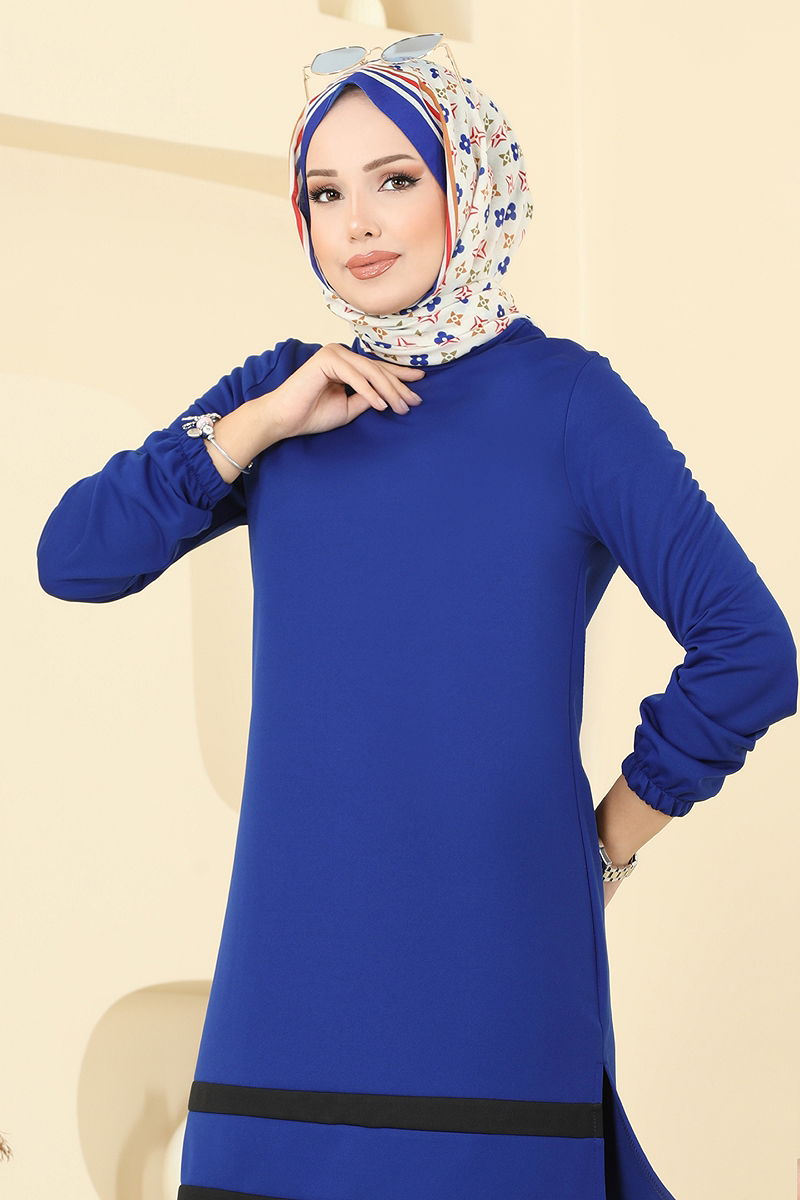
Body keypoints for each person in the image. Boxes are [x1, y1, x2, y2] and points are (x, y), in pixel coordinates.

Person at [36, 38, 797, 1200]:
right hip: (286, 984)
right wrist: (257, 427)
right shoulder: (283, 390)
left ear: (467, 186)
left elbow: (749, 649)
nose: (357, 222)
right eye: (323, 193)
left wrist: (604, 843)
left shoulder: (566, 401)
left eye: (394, 179)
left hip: (494, 970)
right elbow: (73, 560)